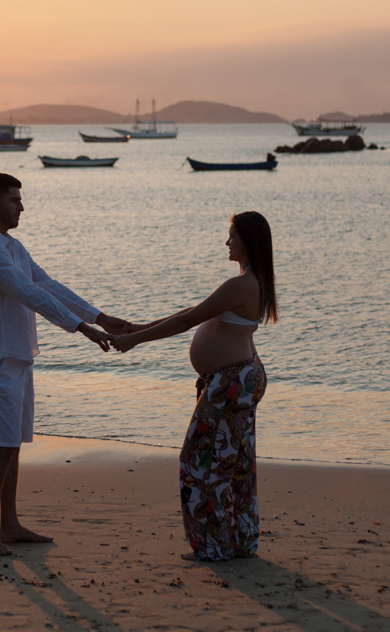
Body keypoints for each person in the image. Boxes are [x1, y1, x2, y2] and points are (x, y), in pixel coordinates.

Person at [0, 172, 128, 556]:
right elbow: (27, 293)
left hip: (20, 354)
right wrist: (82, 329)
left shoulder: (15, 248)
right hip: (1, 357)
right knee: (4, 445)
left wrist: (99, 316)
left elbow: (48, 285)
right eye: (13, 200)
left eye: (20, 200)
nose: (21, 206)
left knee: (14, 445)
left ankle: (9, 525)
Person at [113, 211, 278, 561]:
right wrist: (138, 326)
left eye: (231, 235)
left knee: (200, 462)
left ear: (247, 240)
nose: (226, 242)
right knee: (236, 463)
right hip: (241, 379)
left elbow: (189, 320)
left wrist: (136, 341)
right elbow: (194, 311)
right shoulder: (252, 281)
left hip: (232, 382)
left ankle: (214, 545)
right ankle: (240, 540)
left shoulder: (243, 284)